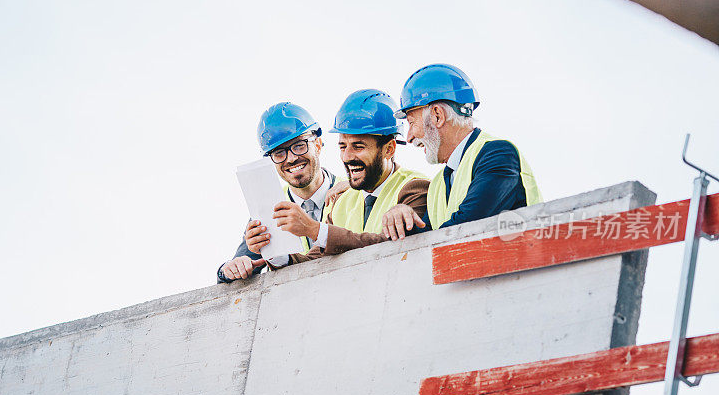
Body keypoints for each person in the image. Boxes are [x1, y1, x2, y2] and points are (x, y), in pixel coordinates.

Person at [246, 89, 430, 265]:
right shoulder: (340, 200)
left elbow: (389, 249)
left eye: (358, 147)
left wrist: (313, 229)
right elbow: (314, 261)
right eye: (343, 146)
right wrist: (274, 255)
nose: (347, 157)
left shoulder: (415, 188)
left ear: (389, 149)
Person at [380, 64, 543, 240]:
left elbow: (465, 228)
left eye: (412, 123)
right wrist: (402, 218)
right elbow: (425, 240)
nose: (410, 137)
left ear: (437, 115)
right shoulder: (437, 185)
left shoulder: (498, 155)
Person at [217, 102, 344, 283]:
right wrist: (228, 270)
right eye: (279, 153)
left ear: (318, 144)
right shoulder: (268, 209)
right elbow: (235, 270)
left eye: (299, 146)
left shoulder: (350, 193)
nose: (291, 158)